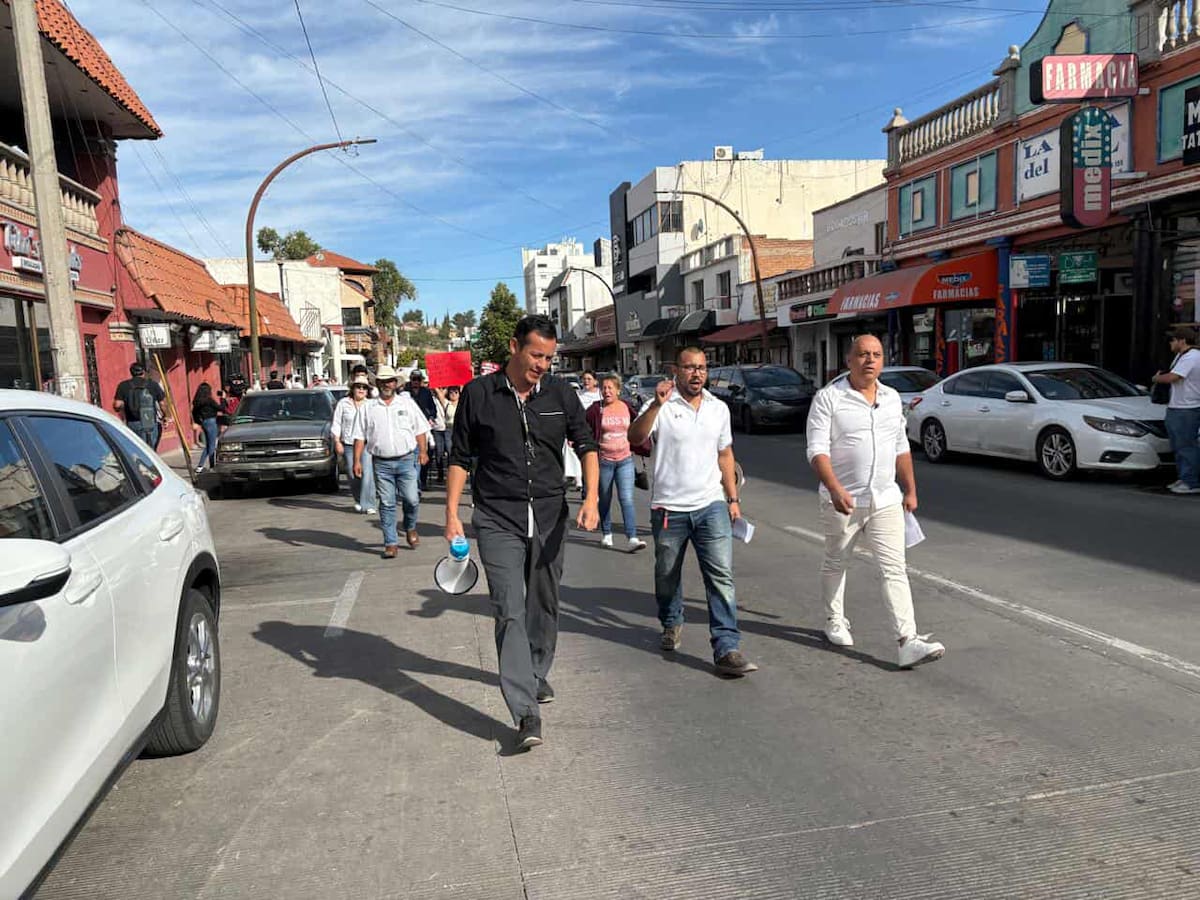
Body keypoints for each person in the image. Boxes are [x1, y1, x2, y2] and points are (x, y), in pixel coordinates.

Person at [446, 315, 600, 751]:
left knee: (544, 603)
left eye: (549, 358)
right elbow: (460, 457)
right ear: (514, 347)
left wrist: (590, 499)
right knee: (509, 607)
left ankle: (535, 670)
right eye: (536, 355)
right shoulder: (479, 395)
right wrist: (452, 514)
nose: (542, 366)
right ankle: (524, 710)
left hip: (550, 513)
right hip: (498, 516)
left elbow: (585, 445)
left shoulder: (560, 394)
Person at [805, 334, 945, 669]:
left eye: (876, 354)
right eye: (863, 354)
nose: (870, 360)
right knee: (837, 561)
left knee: (894, 568)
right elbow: (816, 450)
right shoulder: (829, 398)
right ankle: (834, 619)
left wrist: (909, 489)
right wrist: (835, 488)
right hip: (844, 500)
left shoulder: (892, 398)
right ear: (849, 360)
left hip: (885, 498)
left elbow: (900, 446)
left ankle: (907, 640)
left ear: (883, 361)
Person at [628, 347, 757, 678]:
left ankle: (726, 647)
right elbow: (635, 437)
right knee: (667, 574)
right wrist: (656, 404)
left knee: (721, 577)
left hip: (711, 504)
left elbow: (725, 455)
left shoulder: (719, 409)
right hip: (670, 507)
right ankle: (671, 621)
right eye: (689, 367)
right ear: (676, 371)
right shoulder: (661, 404)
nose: (696, 373)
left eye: (701, 368)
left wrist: (732, 499)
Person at [352, 365, 430, 557]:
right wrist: (357, 461)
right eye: (383, 381)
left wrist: (423, 451)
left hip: (406, 460)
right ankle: (391, 542)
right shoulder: (368, 408)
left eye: (390, 381)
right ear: (377, 384)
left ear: (395, 383)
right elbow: (359, 436)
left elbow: (420, 429)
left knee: (411, 499)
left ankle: (410, 526)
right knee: (386, 503)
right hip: (381, 462)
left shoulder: (407, 404)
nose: (387, 384)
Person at [585, 374, 646, 552]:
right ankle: (607, 534)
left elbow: (639, 425)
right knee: (604, 498)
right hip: (604, 461)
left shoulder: (626, 407)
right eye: (604, 388)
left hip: (625, 460)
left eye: (610, 388)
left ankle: (632, 537)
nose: (607, 391)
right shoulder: (596, 409)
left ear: (618, 390)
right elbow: (582, 426)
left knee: (626, 498)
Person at [1152, 325, 1200, 495]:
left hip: (1187, 408)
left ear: (1182, 340)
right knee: (1178, 445)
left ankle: (1191, 481)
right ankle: (1184, 476)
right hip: (1177, 406)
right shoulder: (1181, 356)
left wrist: (1157, 378)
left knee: (1186, 445)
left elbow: (1174, 377)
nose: (1170, 343)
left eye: (1173, 340)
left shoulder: (1192, 356)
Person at [332, 375, 377, 515]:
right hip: (349, 443)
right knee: (352, 474)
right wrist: (337, 441)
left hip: (366, 443)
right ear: (353, 388)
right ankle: (358, 500)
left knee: (367, 472)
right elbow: (337, 423)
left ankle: (369, 503)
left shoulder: (371, 404)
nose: (361, 389)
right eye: (358, 387)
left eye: (364, 387)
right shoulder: (343, 403)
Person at [113, 361, 165, 448]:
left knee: (136, 449)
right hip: (150, 422)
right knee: (150, 450)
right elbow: (162, 404)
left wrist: (123, 409)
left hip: (132, 423)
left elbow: (117, 405)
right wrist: (165, 416)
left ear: (131, 372)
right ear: (144, 372)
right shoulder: (153, 384)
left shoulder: (123, 385)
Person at [408, 370, 439, 491]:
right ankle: (412, 482)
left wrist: (431, 417)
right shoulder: (405, 393)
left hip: (424, 427)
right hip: (410, 428)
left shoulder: (426, 392)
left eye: (418, 379)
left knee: (426, 453)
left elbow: (433, 409)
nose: (415, 382)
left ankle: (422, 481)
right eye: (413, 379)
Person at [191, 382, 221, 473]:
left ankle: (200, 466)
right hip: (211, 421)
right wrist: (223, 399)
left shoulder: (197, 401)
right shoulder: (209, 400)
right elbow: (220, 408)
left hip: (204, 422)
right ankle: (212, 465)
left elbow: (194, 412)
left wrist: (198, 422)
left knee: (208, 445)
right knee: (212, 445)